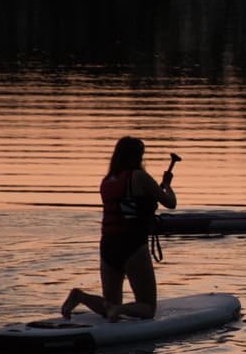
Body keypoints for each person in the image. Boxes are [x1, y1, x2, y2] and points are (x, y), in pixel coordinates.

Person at [61, 137, 177, 322]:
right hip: (132, 245)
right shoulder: (139, 176)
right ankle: (119, 309)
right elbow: (170, 203)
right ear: (138, 156)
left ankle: (80, 297)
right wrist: (167, 185)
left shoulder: (107, 180)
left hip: (108, 245)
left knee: (109, 303)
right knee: (148, 308)